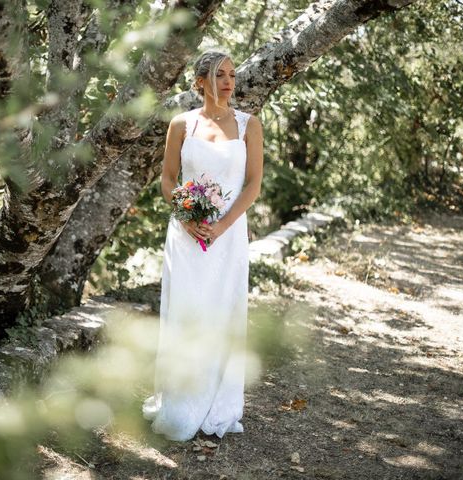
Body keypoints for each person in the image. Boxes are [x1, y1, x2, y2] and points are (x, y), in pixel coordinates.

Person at [142, 49, 264, 441]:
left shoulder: (249, 126)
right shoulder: (181, 124)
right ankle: (180, 401)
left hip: (228, 240)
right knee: (186, 312)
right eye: (218, 75)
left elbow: (253, 185)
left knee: (222, 315)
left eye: (231, 74)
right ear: (199, 83)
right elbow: (167, 178)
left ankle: (218, 405)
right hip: (186, 236)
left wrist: (223, 226)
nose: (228, 82)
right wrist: (187, 217)